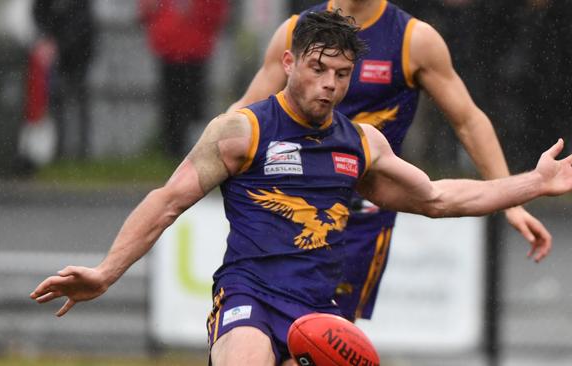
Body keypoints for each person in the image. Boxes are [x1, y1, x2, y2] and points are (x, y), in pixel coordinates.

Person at [30, 10, 572, 366]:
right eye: (318, 69)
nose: (330, 86)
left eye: (342, 75)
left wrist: (530, 183)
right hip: (249, 296)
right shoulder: (240, 131)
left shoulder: (362, 145)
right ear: (288, 62)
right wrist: (106, 272)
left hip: (318, 311)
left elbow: (438, 198)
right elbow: (164, 202)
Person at [226, 0, 553, 322]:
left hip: (362, 216)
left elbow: (467, 120)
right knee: (263, 327)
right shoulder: (297, 31)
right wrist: (205, 167)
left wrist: (511, 201)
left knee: (325, 339)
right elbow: (245, 112)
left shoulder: (414, 40)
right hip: (292, 206)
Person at [139, 0, 228, 159]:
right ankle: (173, 149)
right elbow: (147, 11)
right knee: (172, 104)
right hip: (171, 50)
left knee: (193, 103)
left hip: (195, 50)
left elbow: (216, 14)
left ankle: (192, 148)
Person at [32, 0, 95, 159]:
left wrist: (57, 45)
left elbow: (82, 22)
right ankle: (59, 151)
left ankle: (82, 152)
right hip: (57, 55)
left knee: (78, 102)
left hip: (79, 53)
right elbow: (39, 13)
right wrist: (46, 38)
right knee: (56, 101)